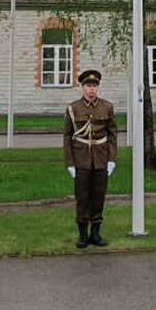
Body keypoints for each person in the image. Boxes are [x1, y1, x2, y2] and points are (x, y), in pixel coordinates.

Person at [63, 68, 118, 248]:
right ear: (82, 88)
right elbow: (67, 136)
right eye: (88, 86)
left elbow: (112, 134)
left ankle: (96, 233)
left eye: (94, 86)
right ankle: (82, 235)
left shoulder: (107, 107)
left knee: (98, 196)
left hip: (101, 158)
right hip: (81, 159)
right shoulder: (73, 108)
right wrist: (70, 162)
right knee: (83, 196)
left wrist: (112, 159)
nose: (92, 89)